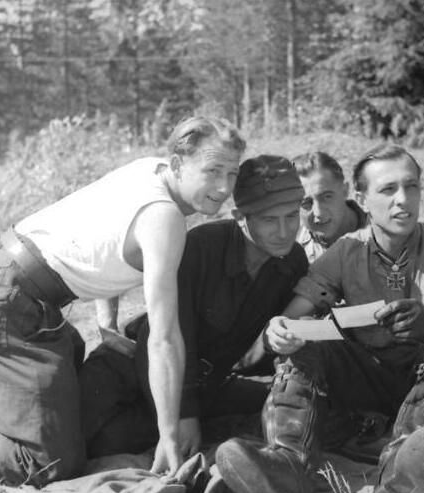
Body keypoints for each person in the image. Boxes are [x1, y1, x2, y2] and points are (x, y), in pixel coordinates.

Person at [0, 116, 245, 486]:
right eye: (213, 170)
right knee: (46, 460)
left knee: (70, 396)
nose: (224, 187)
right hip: (7, 302)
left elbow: (102, 232)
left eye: (232, 173)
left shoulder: (151, 169)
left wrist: (108, 323)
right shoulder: (165, 219)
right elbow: (163, 338)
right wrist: (168, 433)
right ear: (180, 164)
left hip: (8, 284)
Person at [215, 144, 424, 493]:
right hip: (368, 380)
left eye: (412, 187)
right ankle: (287, 466)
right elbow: (292, 318)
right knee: (304, 345)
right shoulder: (345, 252)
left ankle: (403, 475)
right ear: (360, 198)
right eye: (388, 190)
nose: (403, 200)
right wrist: (279, 331)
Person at [78, 154, 309, 458]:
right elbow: (166, 335)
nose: (283, 232)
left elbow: (257, 351)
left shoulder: (292, 263)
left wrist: (275, 340)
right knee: (72, 447)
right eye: (269, 220)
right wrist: (182, 415)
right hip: (134, 369)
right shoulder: (202, 247)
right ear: (241, 218)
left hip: (204, 387)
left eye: (291, 217)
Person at [293, 151, 367, 262]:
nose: (318, 213)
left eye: (327, 197)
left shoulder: (386, 235)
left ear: (345, 191)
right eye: (306, 203)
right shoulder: (288, 248)